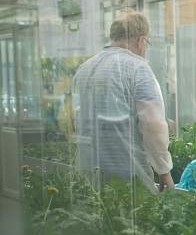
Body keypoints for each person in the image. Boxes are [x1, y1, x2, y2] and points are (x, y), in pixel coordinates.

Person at [73, 11, 174, 192]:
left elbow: (76, 119)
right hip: (128, 175)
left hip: (88, 171)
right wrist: (163, 170)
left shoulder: (84, 69)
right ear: (141, 40)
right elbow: (153, 125)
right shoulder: (137, 68)